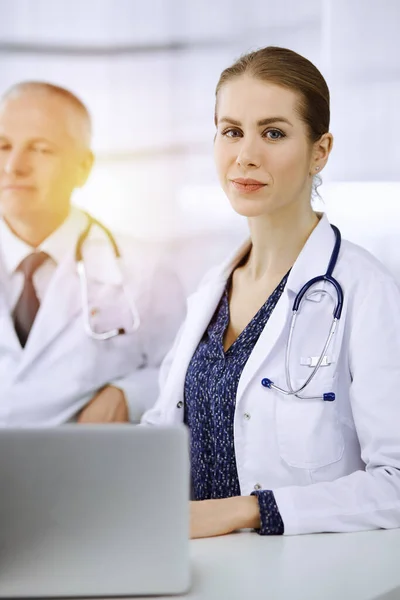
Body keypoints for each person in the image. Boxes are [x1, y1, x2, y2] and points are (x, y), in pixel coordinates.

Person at [142, 47, 400, 537]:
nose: (246, 155)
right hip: (188, 567)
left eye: (274, 133)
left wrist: (248, 510)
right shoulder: (210, 290)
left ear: (319, 151)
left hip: (297, 578)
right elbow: (160, 435)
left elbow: (395, 482)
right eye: (232, 131)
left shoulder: (367, 293)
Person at [0, 81, 185, 426]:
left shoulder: (144, 271)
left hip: (84, 472)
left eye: (39, 149)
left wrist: (131, 394)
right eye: (3, 145)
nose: (13, 166)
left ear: (83, 167)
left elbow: (184, 372)